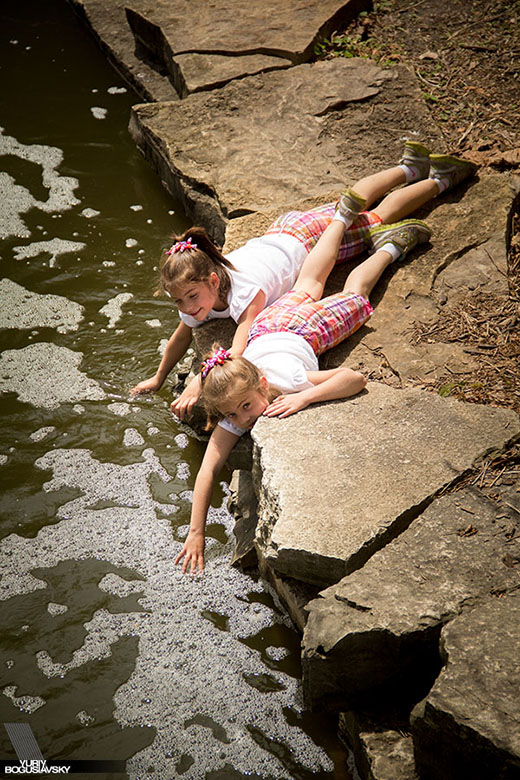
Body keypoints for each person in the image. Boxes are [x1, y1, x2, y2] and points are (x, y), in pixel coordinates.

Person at [173, 146, 477, 575]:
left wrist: (305, 399)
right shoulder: (236, 402)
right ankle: (366, 217)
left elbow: (354, 378)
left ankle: (389, 251)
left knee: (354, 297)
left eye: (245, 407)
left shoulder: (290, 381)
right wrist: (195, 532)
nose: (243, 419)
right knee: (312, 280)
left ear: (262, 385)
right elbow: (207, 471)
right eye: (235, 414)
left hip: (302, 329)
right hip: (270, 324)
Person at [131, 144, 476, 420]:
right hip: (283, 231)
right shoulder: (200, 297)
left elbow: (237, 348)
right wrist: (159, 378)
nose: (190, 309)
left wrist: (199, 382)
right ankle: (409, 168)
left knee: (374, 215)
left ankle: (436, 178)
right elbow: (180, 335)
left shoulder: (242, 295)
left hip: (309, 242)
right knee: (359, 209)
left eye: (192, 297)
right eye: (179, 302)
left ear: (211, 279)